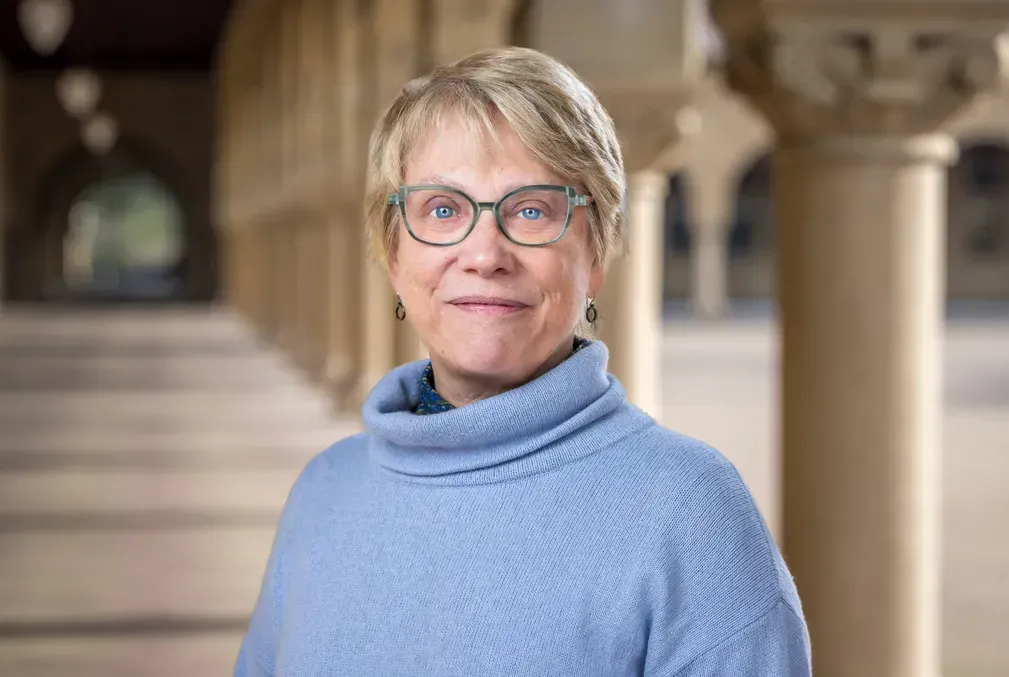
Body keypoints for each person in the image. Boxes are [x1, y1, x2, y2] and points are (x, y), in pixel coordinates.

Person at [235, 46, 811, 676]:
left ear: (596, 255)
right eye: (443, 210)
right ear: (393, 255)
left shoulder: (689, 513)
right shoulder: (324, 491)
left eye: (532, 210)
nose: (484, 254)